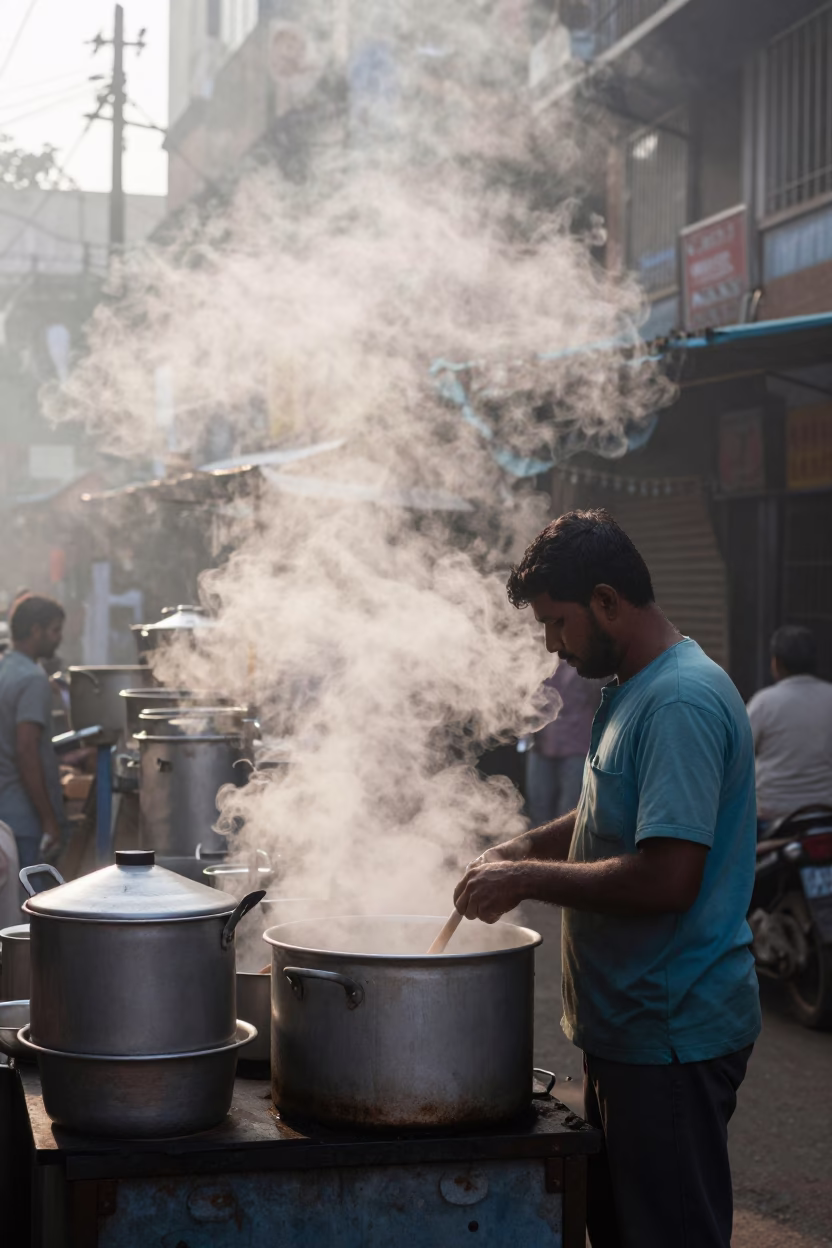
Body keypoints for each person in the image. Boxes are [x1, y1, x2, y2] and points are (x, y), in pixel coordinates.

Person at [453, 509, 760, 1248]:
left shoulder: (680, 701)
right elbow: (604, 818)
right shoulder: (634, 688)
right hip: (628, 1030)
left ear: (605, 601)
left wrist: (528, 879)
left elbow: (666, 878)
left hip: (671, 1032)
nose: (552, 646)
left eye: (556, 624)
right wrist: (521, 848)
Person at [0, 594, 67, 869]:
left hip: (5, 818)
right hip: (25, 822)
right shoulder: (33, 679)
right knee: (29, 904)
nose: (58, 638)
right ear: (35, 630)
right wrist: (49, 820)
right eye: (55, 630)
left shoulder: (5, 668)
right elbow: (27, 750)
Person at [747, 625, 832, 824]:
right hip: (825, 812)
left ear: (776, 662)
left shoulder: (764, 702)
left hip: (771, 816)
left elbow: (737, 754)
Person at [525, 662, 604, 827]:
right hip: (542, 744)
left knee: (569, 811)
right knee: (538, 809)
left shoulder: (586, 656)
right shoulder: (539, 658)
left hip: (579, 745)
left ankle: (564, 852)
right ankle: (537, 852)